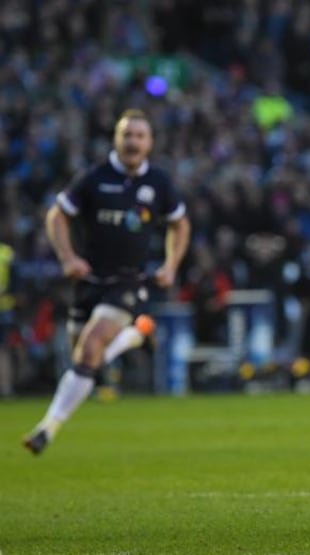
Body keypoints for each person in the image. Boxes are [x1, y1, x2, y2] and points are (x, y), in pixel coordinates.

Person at [22, 109, 190, 455]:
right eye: (127, 135)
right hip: (89, 282)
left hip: (129, 281)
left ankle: (47, 429)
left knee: (91, 346)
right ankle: (136, 335)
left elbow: (180, 224)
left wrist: (171, 264)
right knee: (85, 364)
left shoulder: (158, 182)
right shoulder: (94, 178)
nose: (133, 142)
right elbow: (57, 216)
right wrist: (68, 257)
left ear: (150, 142)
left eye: (140, 136)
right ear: (116, 139)